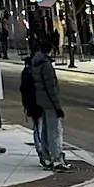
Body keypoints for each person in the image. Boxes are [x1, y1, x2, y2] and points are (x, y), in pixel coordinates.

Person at [27, 34, 68, 171]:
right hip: (48, 102)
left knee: (44, 131)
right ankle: (57, 159)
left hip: (39, 101)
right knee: (54, 131)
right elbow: (51, 88)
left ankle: (46, 156)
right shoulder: (46, 66)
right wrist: (58, 107)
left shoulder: (35, 63)